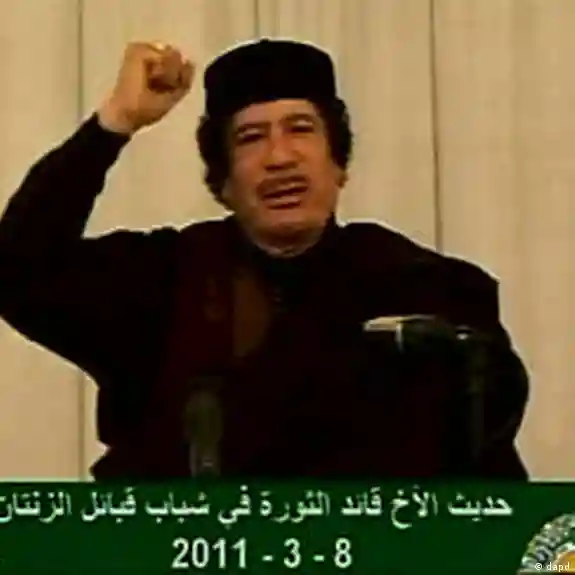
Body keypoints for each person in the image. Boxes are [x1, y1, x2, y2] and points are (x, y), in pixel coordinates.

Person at [0, 38, 529, 480]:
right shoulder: (163, 281)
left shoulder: (428, 292)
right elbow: (16, 271)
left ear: (339, 165)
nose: (279, 157)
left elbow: (493, 493)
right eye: (251, 138)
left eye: (301, 128)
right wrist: (116, 122)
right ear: (223, 183)